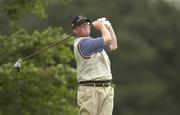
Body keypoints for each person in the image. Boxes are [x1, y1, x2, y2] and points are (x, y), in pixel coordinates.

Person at [72, 15, 118, 115]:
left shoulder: (93, 43)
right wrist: (102, 27)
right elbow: (108, 39)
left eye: (87, 24)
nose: (86, 26)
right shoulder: (83, 43)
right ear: (75, 30)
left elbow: (113, 45)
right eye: (81, 25)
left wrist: (109, 26)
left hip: (106, 88)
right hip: (90, 90)